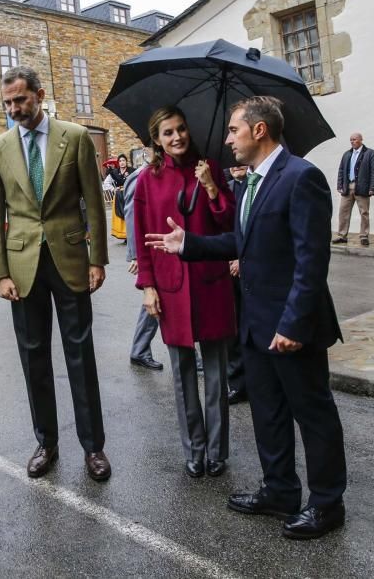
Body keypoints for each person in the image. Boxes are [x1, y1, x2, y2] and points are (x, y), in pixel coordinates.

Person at [145, 96, 347, 540]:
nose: (227, 139)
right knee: (268, 414)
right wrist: (190, 244)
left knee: (312, 415)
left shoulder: (301, 177)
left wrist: (293, 324)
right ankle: (279, 491)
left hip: (292, 326)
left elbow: (311, 262)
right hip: (254, 324)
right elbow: (240, 242)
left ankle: (328, 504)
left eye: (234, 130)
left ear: (259, 131)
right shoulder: (248, 183)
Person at [0, 66, 111, 482]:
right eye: (7, 103)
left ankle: (94, 448)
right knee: (33, 356)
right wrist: (0, 273)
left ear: (39, 95)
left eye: (20, 100)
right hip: (22, 267)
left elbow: (94, 201)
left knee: (80, 354)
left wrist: (98, 259)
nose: (14, 109)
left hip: (71, 258)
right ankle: (47, 443)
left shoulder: (73, 137)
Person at [134, 106, 236, 478]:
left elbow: (230, 223)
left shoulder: (208, 167)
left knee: (214, 374)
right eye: (167, 133)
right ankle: (194, 449)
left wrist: (210, 186)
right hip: (170, 285)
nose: (177, 137)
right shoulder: (148, 179)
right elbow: (142, 239)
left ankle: (217, 451)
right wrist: (147, 287)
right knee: (181, 376)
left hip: (210, 282)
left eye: (181, 129)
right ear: (157, 140)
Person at [124, 164, 161, 371]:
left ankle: (139, 349)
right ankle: (140, 350)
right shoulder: (140, 175)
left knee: (158, 299)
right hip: (151, 249)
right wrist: (135, 255)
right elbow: (131, 216)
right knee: (156, 298)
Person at [225, 165, 248, 405]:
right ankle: (237, 383)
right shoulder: (224, 190)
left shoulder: (258, 187)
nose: (236, 164)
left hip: (252, 268)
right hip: (227, 269)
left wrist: (243, 258)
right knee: (233, 329)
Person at [333, 132, 374, 247]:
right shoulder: (347, 154)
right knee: (343, 212)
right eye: (351, 140)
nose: (352, 141)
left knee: (364, 212)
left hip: (362, 187)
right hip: (347, 187)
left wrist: (372, 188)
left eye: (354, 139)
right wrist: (340, 185)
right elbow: (341, 170)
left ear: (361, 140)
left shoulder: (370, 153)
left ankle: (364, 236)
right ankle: (342, 236)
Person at [107, 154, 132, 240]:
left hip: (129, 194)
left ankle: (131, 234)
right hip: (118, 196)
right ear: (118, 163)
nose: (122, 162)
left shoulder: (132, 170)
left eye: (123, 160)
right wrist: (113, 189)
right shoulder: (114, 172)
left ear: (126, 161)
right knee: (120, 215)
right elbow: (106, 183)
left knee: (130, 214)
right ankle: (124, 236)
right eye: (120, 161)